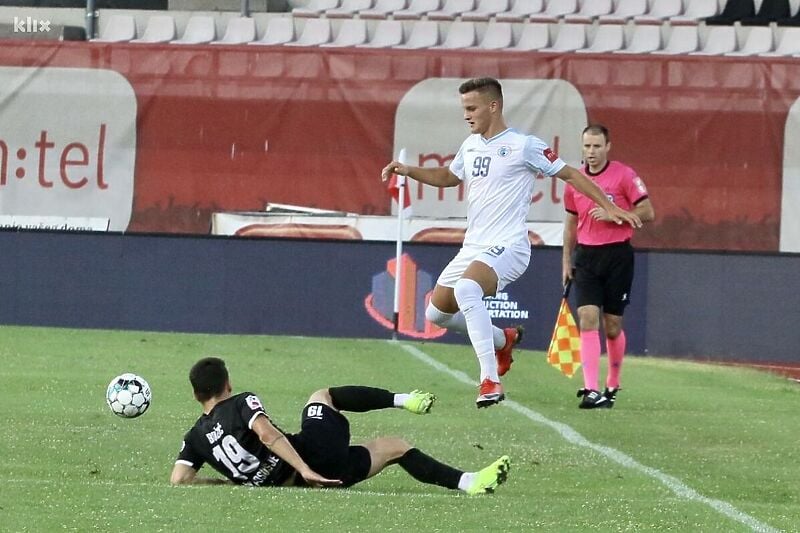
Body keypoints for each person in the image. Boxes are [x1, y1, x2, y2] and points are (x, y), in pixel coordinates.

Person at [381, 77, 642, 408]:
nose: (466, 115)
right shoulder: (471, 145)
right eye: (464, 109)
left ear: (493, 106)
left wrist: (608, 205)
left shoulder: (524, 145)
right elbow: (449, 177)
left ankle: (490, 380)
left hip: (510, 246)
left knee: (466, 290)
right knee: (436, 313)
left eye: (472, 108)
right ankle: (503, 339)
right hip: (474, 246)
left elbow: (572, 175)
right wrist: (407, 170)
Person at [170, 356, 511, 495]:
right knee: (322, 395)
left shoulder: (194, 437)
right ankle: (402, 399)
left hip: (303, 486)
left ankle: (471, 482)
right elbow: (267, 435)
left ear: (196, 394)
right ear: (226, 384)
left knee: (395, 447)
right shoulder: (240, 402)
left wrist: (231, 482)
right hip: (314, 461)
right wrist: (306, 468)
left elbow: (180, 480)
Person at [561, 124, 655, 409]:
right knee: (587, 317)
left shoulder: (624, 175)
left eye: (597, 146)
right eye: (587, 146)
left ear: (608, 147)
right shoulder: (573, 181)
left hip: (618, 256)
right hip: (586, 257)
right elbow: (570, 223)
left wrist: (617, 214)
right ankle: (590, 389)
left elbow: (648, 212)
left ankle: (612, 384)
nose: (591, 152)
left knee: (612, 325)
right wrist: (566, 260)